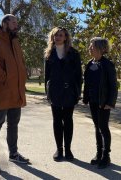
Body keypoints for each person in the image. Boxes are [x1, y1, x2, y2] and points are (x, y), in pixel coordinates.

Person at [0, 14, 29, 174]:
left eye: (17, 21)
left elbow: (20, 63)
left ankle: (14, 154)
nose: (17, 24)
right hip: (2, 91)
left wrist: (23, 75)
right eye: (14, 22)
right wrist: (6, 78)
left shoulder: (15, 42)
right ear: (4, 23)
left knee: (13, 125)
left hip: (16, 91)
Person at [44, 27, 82, 162]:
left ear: (66, 37)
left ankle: (68, 150)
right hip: (54, 92)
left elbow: (79, 75)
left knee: (68, 120)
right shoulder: (49, 54)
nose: (58, 37)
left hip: (69, 92)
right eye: (56, 35)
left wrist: (78, 93)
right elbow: (46, 76)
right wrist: (47, 93)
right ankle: (59, 149)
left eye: (61, 35)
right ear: (53, 38)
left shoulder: (74, 53)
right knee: (57, 121)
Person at [83, 37, 118, 169]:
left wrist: (110, 102)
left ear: (101, 49)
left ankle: (106, 156)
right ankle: (98, 153)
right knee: (97, 127)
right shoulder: (89, 63)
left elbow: (113, 86)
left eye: (92, 46)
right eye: (90, 46)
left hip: (103, 102)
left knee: (103, 127)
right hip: (93, 101)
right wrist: (85, 97)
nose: (89, 48)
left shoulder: (107, 64)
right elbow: (87, 83)